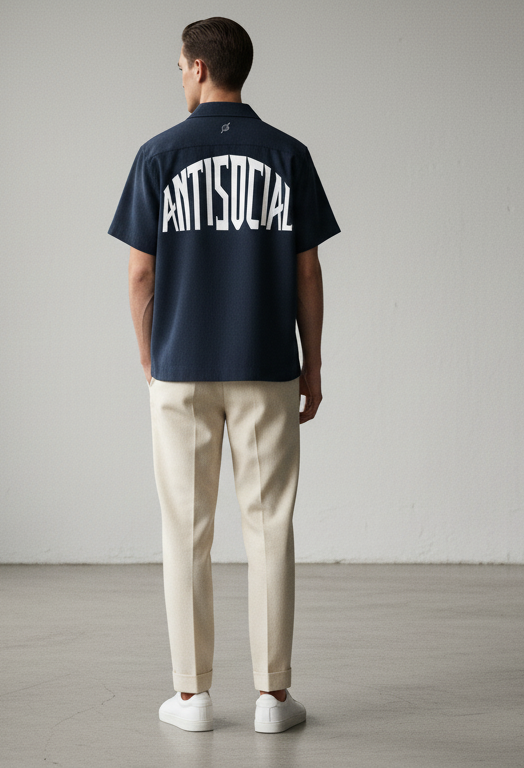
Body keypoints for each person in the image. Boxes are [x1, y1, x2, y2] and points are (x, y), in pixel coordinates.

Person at [107, 17, 340, 733]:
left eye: (180, 66)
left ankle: (192, 697)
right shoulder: (288, 154)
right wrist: (313, 363)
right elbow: (307, 269)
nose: (179, 76)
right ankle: (273, 699)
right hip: (267, 365)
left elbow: (140, 271)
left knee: (186, 531)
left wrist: (150, 355)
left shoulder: (158, 155)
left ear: (200, 69)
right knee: (269, 527)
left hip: (181, 369)